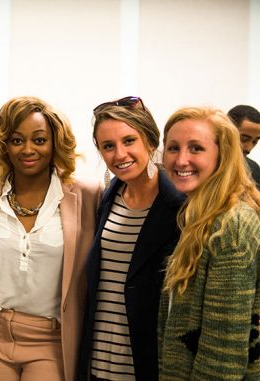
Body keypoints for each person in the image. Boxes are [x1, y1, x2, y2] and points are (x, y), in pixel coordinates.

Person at [0, 96, 102, 381]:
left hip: (52, 339)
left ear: (54, 143)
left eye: (39, 140)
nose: (28, 150)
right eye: (16, 140)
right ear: (4, 144)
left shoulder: (87, 195)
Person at [77, 96, 185, 381]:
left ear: (150, 141)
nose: (119, 154)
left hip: (146, 364)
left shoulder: (179, 205)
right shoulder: (109, 197)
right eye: (108, 146)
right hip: (99, 362)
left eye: (129, 141)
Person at [159, 106, 260, 379]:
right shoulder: (199, 215)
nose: (181, 160)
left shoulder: (232, 224)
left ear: (222, 154)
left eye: (196, 148)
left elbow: (224, 349)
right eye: (173, 148)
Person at [227, 105, 260, 186]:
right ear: (226, 130)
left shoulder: (253, 169)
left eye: (255, 141)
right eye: (244, 139)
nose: (249, 148)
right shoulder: (201, 163)